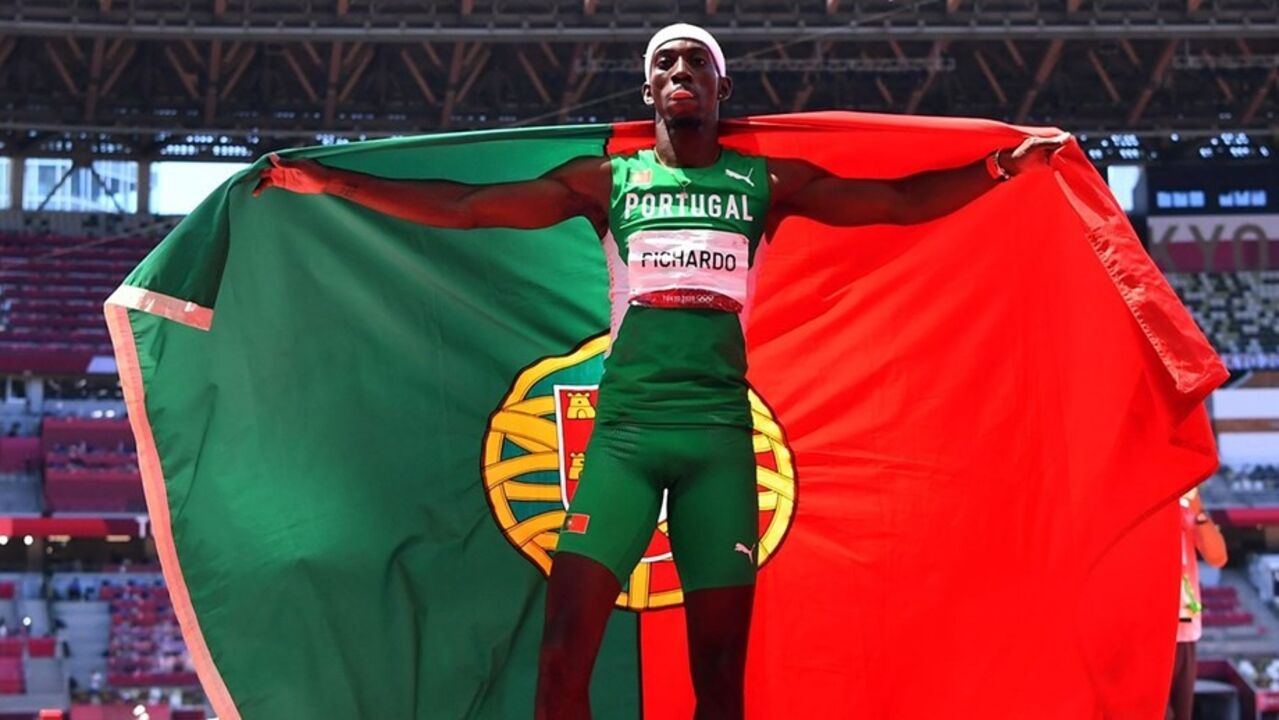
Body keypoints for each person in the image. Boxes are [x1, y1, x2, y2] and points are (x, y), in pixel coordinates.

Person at [253, 23, 1068, 719]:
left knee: (718, 680)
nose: (681, 73)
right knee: (561, 660)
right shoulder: (608, 181)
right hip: (624, 440)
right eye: (666, 64)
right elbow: (467, 208)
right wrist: (331, 180)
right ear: (648, 90)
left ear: (721, 87)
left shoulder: (762, 183)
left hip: (718, 440)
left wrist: (1000, 167)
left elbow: (895, 203)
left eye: (696, 63)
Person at [1169, 486, 1227, 720]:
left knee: (1181, 712)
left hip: (1183, 629)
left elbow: (1218, 557)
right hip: (1147, 630)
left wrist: (1198, 509)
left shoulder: (1187, 511)